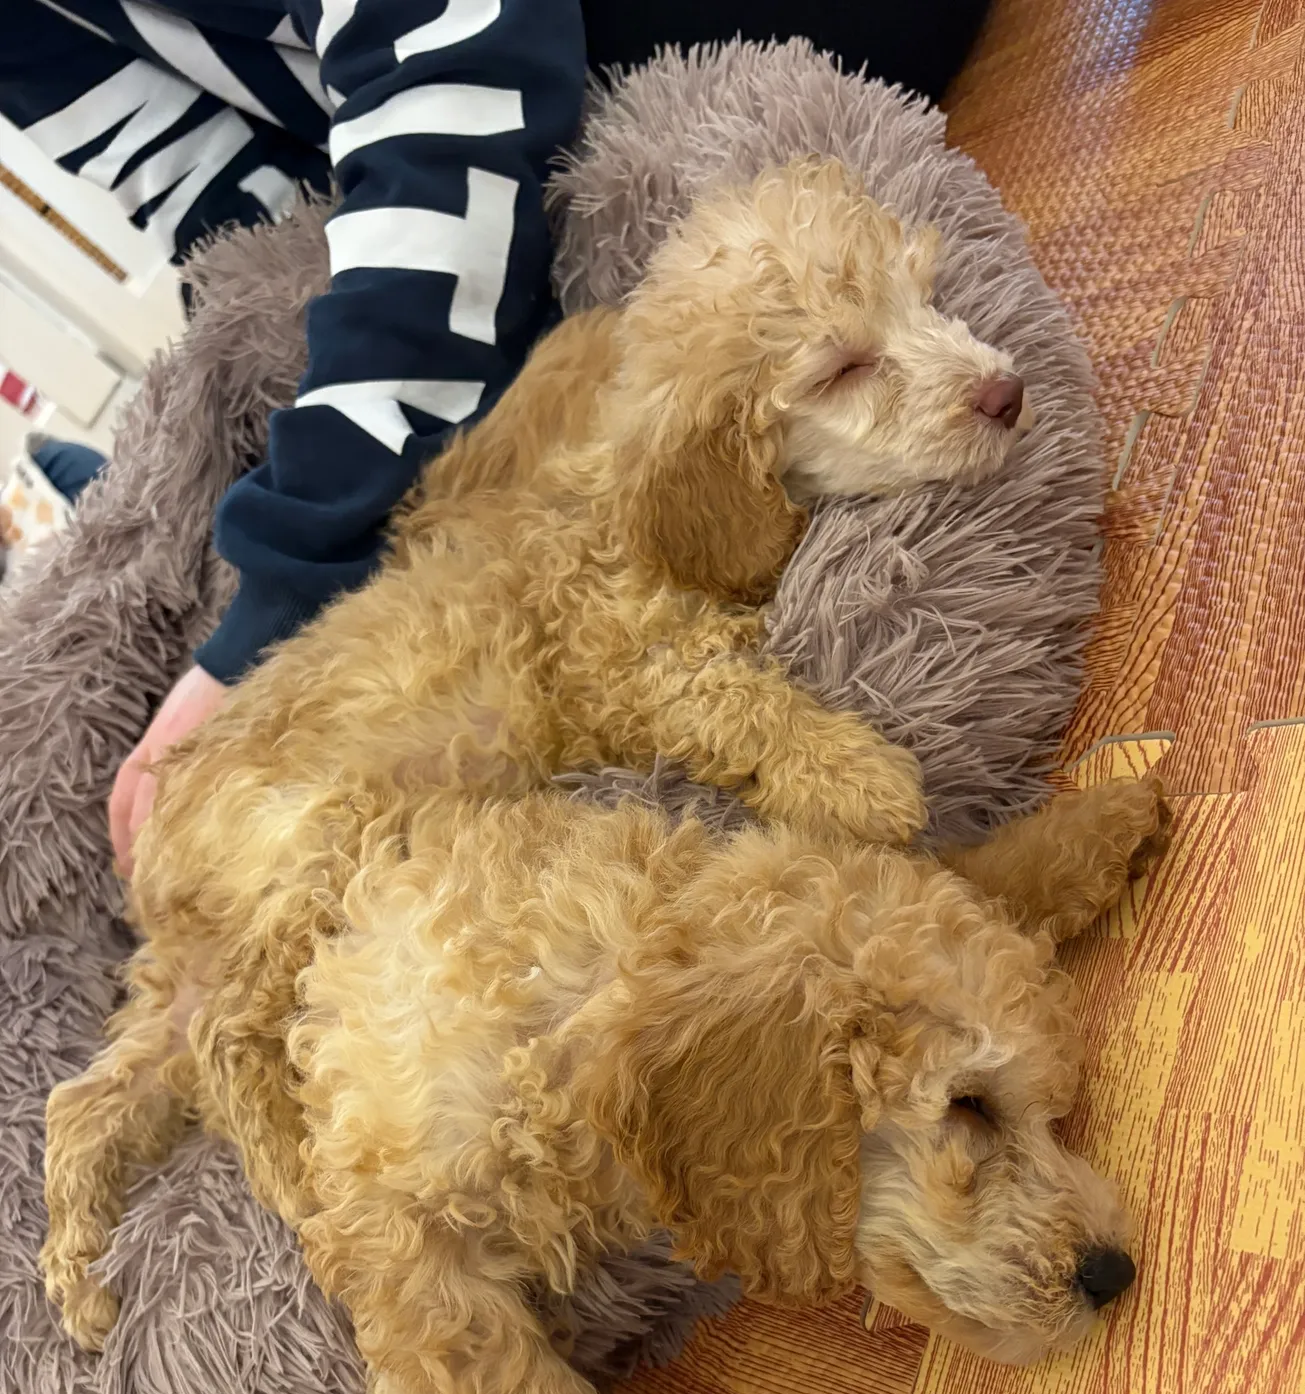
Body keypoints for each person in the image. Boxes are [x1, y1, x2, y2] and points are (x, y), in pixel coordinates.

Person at [2, 0, 992, 870]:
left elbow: (461, 64)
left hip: (602, 81)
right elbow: (245, 229)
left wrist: (285, 579)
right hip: (448, 228)